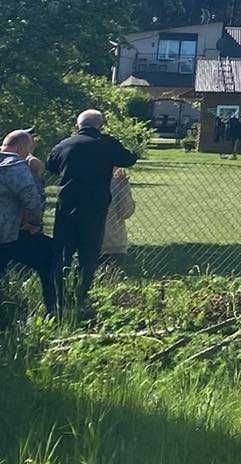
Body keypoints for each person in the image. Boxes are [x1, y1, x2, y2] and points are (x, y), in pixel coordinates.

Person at [46, 109, 138, 307]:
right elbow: (128, 159)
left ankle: (57, 300)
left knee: (63, 254)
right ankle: (81, 298)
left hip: (67, 207)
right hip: (95, 209)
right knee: (89, 256)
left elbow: (51, 166)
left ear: (77, 125)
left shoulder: (64, 144)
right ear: (100, 125)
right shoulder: (107, 144)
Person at [0, 128, 57, 316]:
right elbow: (33, 202)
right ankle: (54, 311)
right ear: (22, 148)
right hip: (9, 234)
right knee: (51, 257)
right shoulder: (14, 166)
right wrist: (38, 174)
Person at [100, 165, 136, 266]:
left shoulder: (119, 180)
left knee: (112, 280)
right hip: (87, 244)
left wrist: (123, 187)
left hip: (114, 246)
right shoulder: (85, 179)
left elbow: (126, 213)